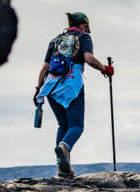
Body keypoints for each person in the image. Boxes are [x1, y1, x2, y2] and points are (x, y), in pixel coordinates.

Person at [34, 12, 114, 178]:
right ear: (83, 25)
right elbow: (89, 58)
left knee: (63, 125)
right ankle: (65, 146)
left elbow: (44, 67)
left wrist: (38, 88)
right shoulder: (83, 37)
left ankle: (62, 168)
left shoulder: (55, 40)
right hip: (71, 85)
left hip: (50, 87)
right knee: (76, 126)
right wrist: (105, 69)